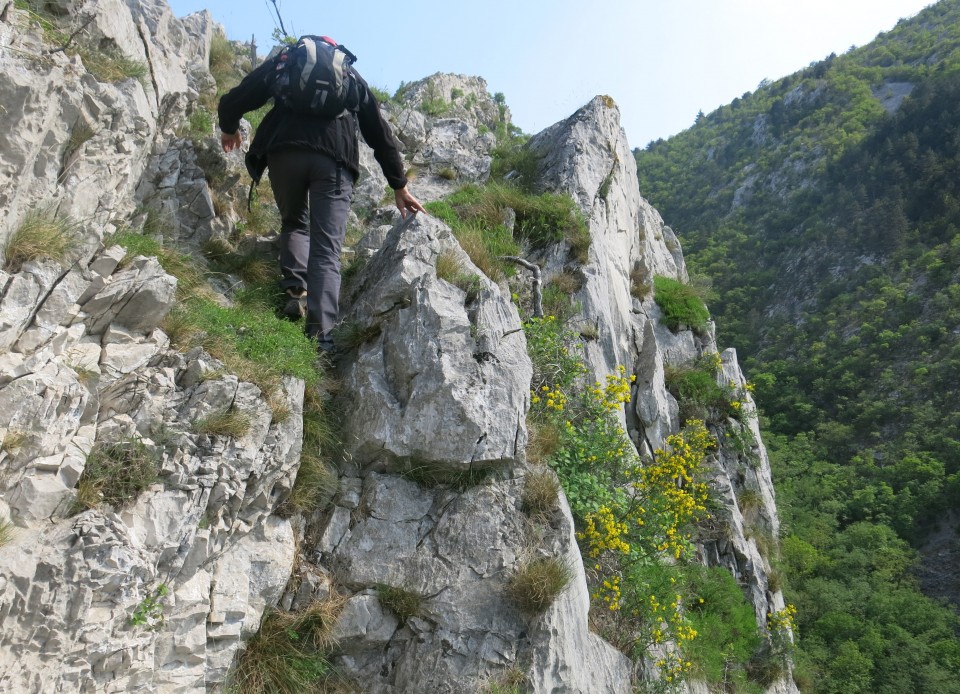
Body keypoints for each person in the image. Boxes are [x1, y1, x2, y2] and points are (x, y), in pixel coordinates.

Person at [217, 36, 425, 352]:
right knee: (327, 246)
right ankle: (321, 334)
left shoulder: (286, 62)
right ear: (336, 53)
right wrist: (399, 185)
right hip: (335, 160)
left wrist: (229, 126)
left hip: (284, 152)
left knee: (294, 222)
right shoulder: (351, 77)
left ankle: (294, 291)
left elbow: (240, 96)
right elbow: (380, 135)